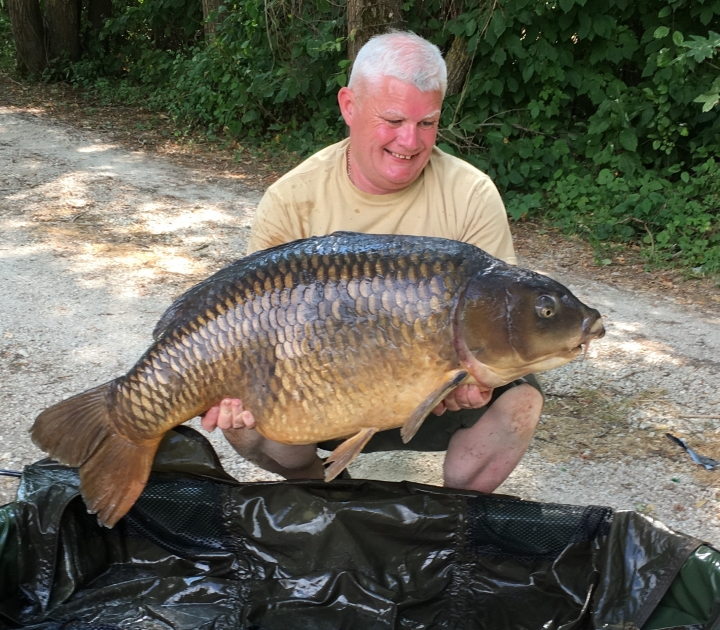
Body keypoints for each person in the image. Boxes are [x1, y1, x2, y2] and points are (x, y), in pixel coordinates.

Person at [200, 30, 543, 493]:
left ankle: (454, 517)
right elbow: (253, 328)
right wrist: (236, 393)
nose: (410, 140)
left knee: (520, 400)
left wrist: (473, 382)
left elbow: (502, 318)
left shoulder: (471, 194)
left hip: (431, 390)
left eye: (427, 123)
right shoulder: (292, 200)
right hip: (319, 394)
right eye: (394, 119)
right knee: (244, 421)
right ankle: (321, 493)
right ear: (349, 106)